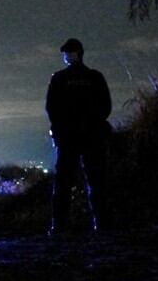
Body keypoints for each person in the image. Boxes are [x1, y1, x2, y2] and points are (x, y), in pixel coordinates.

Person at [46, 38, 112, 233]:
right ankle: (102, 223)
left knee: (64, 183)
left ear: (75, 53)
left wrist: (60, 128)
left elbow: (51, 108)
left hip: (68, 138)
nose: (65, 56)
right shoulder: (95, 77)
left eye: (67, 52)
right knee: (96, 181)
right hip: (92, 136)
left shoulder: (59, 78)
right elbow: (105, 106)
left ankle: (60, 226)